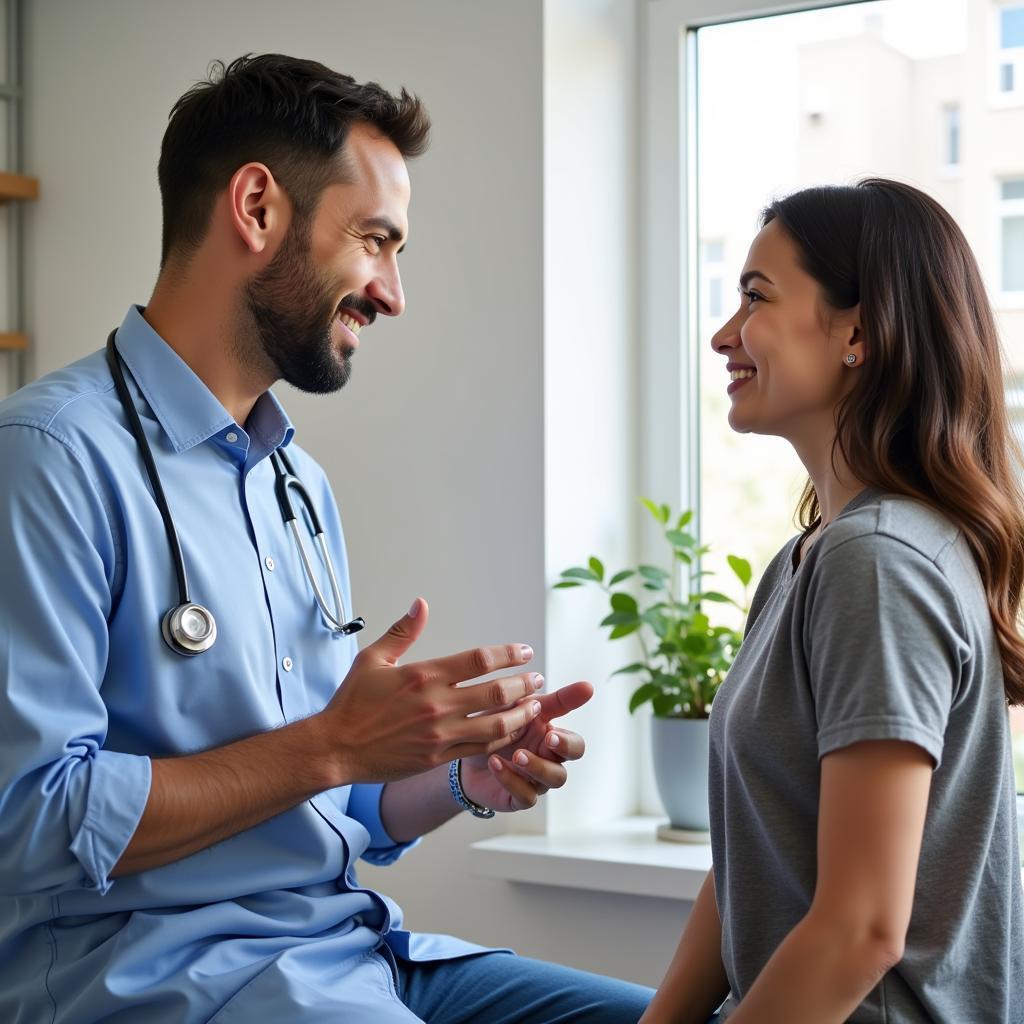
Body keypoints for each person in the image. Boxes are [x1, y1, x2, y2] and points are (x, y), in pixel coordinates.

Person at [0, 54, 653, 1023]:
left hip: (356, 947)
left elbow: (335, 801)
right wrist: (331, 745)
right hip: (164, 980)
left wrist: (459, 776)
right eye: (375, 241)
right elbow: (30, 817)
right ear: (257, 209)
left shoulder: (295, 486)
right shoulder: (50, 458)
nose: (392, 292)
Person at [641, 179, 1024, 1024]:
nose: (722, 335)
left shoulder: (879, 561)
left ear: (859, 331)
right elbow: (752, 853)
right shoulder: (807, 560)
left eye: (755, 297)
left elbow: (860, 931)